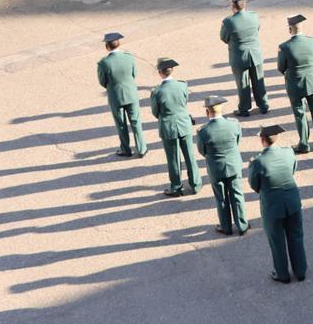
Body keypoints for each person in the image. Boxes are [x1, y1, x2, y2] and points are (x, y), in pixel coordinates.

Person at [248, 124, 306, 283]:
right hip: (292, 200)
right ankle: (300, 271)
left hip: (273, 205)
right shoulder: (289, 152)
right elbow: (292, 170)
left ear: (262, 140)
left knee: (277, 239)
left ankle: (282, 273)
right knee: (296, 235)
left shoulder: (258, 162)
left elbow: (254, 185)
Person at [277, 14, 313, 153]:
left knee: (300, 113)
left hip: (295, 84)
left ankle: (304, 144)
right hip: (312, 81)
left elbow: (281, 67)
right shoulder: (312, 41)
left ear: (290, 29)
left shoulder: (285, 47)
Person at [149, 57, 201, 197]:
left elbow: (155, 111)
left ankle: (176, 187)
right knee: (190, 155)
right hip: (183, 122)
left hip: (168, 126)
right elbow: (184, 102)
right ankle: (195, 183)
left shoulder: (157, 91)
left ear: (160, 72)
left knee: (173, 159)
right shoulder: (182, 85)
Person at [196, 95, 246, 235]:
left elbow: (202, 151)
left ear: (207, 112)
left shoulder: (203, 131)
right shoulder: (233, 124)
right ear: (222, 110)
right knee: (237, 194)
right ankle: (242, 225)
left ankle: (226, 226)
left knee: (221, 197)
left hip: (216, 168)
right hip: (233, 164)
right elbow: (237, 141)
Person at [97, 32, 146, 158]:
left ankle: (125, 149)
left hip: (115, 96)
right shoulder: (129, 57)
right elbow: (134, 74)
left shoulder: (104, 63)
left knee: (121, 124)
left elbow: (103, 81)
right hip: (131, 93)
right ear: (119, 44)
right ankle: (141, 148)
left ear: (107, 47)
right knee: (136, 121)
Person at [220, 0, 269, 116]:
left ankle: (244, 108)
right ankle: (263, 105)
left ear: (233, 6)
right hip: (255, 53)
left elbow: (224, 38)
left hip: (239, 56)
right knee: (259, 81)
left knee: (243, 84)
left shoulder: (229, 22)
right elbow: (257, 29)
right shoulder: (254, 16)